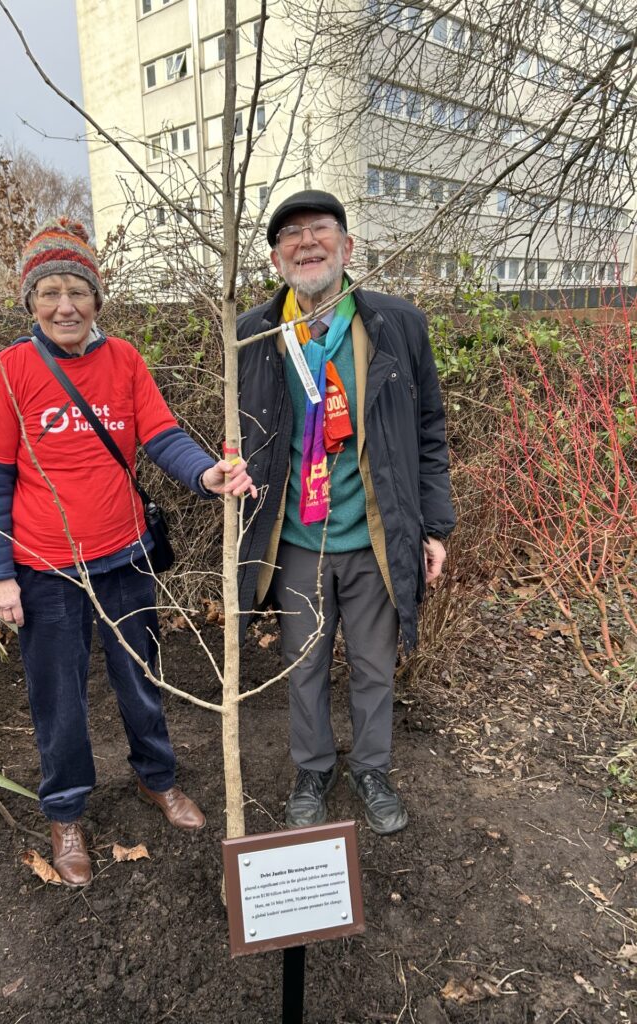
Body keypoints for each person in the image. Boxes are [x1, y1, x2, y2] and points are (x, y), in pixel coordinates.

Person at [0, 218, 255, 887]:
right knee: (58, 697)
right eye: (50, 293)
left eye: (77, 290)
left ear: (97, 299)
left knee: (140, 678)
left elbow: (159, 433)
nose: (65, 305)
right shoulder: (8, 372)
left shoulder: (124, 360)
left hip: (122, 556)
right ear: (31, 303)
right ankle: (65, 812)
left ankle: (156, 778)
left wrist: (204, 473)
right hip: (43, 567)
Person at [236, 190, 454, 835]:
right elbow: (242, 431)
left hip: (376, 536)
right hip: (296, 539)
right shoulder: (254, 333)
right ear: (276, 259)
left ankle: (372, 768)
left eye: (319, 229)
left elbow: (429, 430)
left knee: (372, 665)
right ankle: (314, 768)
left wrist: (435, 526)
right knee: (302, 666)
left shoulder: (396, 323)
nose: (306, 243)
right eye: (290, 236)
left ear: (348, 246)